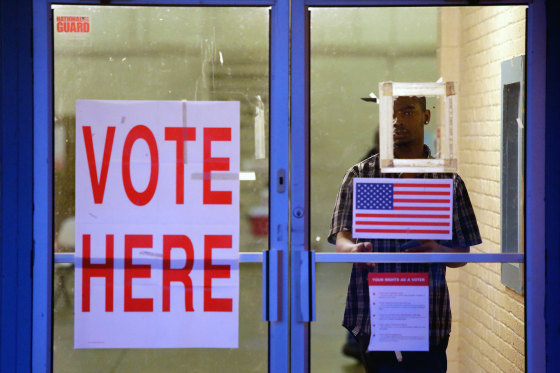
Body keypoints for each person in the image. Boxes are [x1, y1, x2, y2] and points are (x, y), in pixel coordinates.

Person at [329, 96, 482, 373]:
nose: (397, 120)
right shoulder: (362, 175)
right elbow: (342, 239)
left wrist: (438, 250)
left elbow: (462, 255)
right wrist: (354, 251)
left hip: (426, 317)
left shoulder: (446, 180)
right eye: (390, 113)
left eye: (407, 112)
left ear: (426, 116)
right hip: (374, 313)